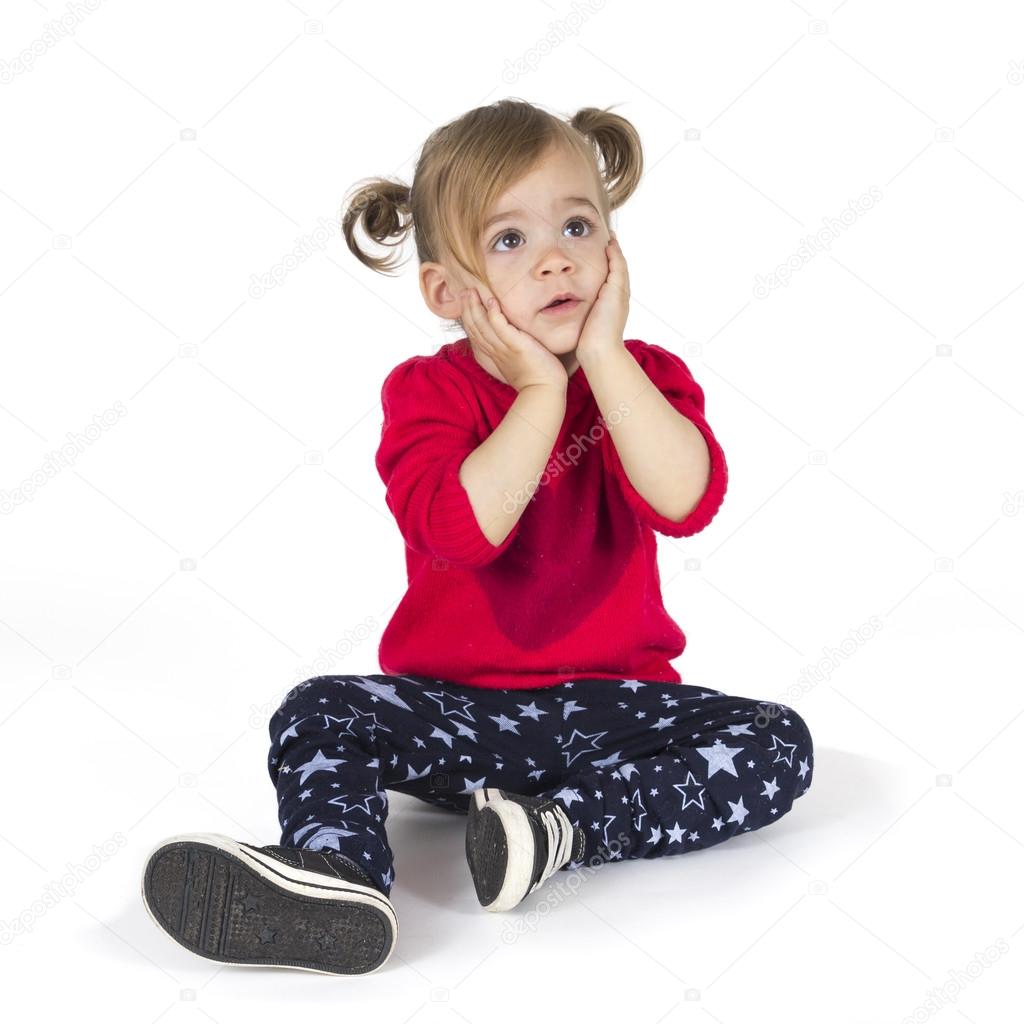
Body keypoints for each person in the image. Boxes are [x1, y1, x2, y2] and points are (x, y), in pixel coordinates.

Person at [141, 98, 814, 977]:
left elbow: (685, 498)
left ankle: (556, 830)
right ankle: (338, 877)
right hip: (456, 714)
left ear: (613, 249)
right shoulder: (427, 393)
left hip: (610, 711)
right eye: (509, 242)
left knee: (779, 740)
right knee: (317, 707)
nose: (554, 257)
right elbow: (461, 533)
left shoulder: (644, 378)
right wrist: (540, 395)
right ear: (446, 294)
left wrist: (602, 360)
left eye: (577, 225)